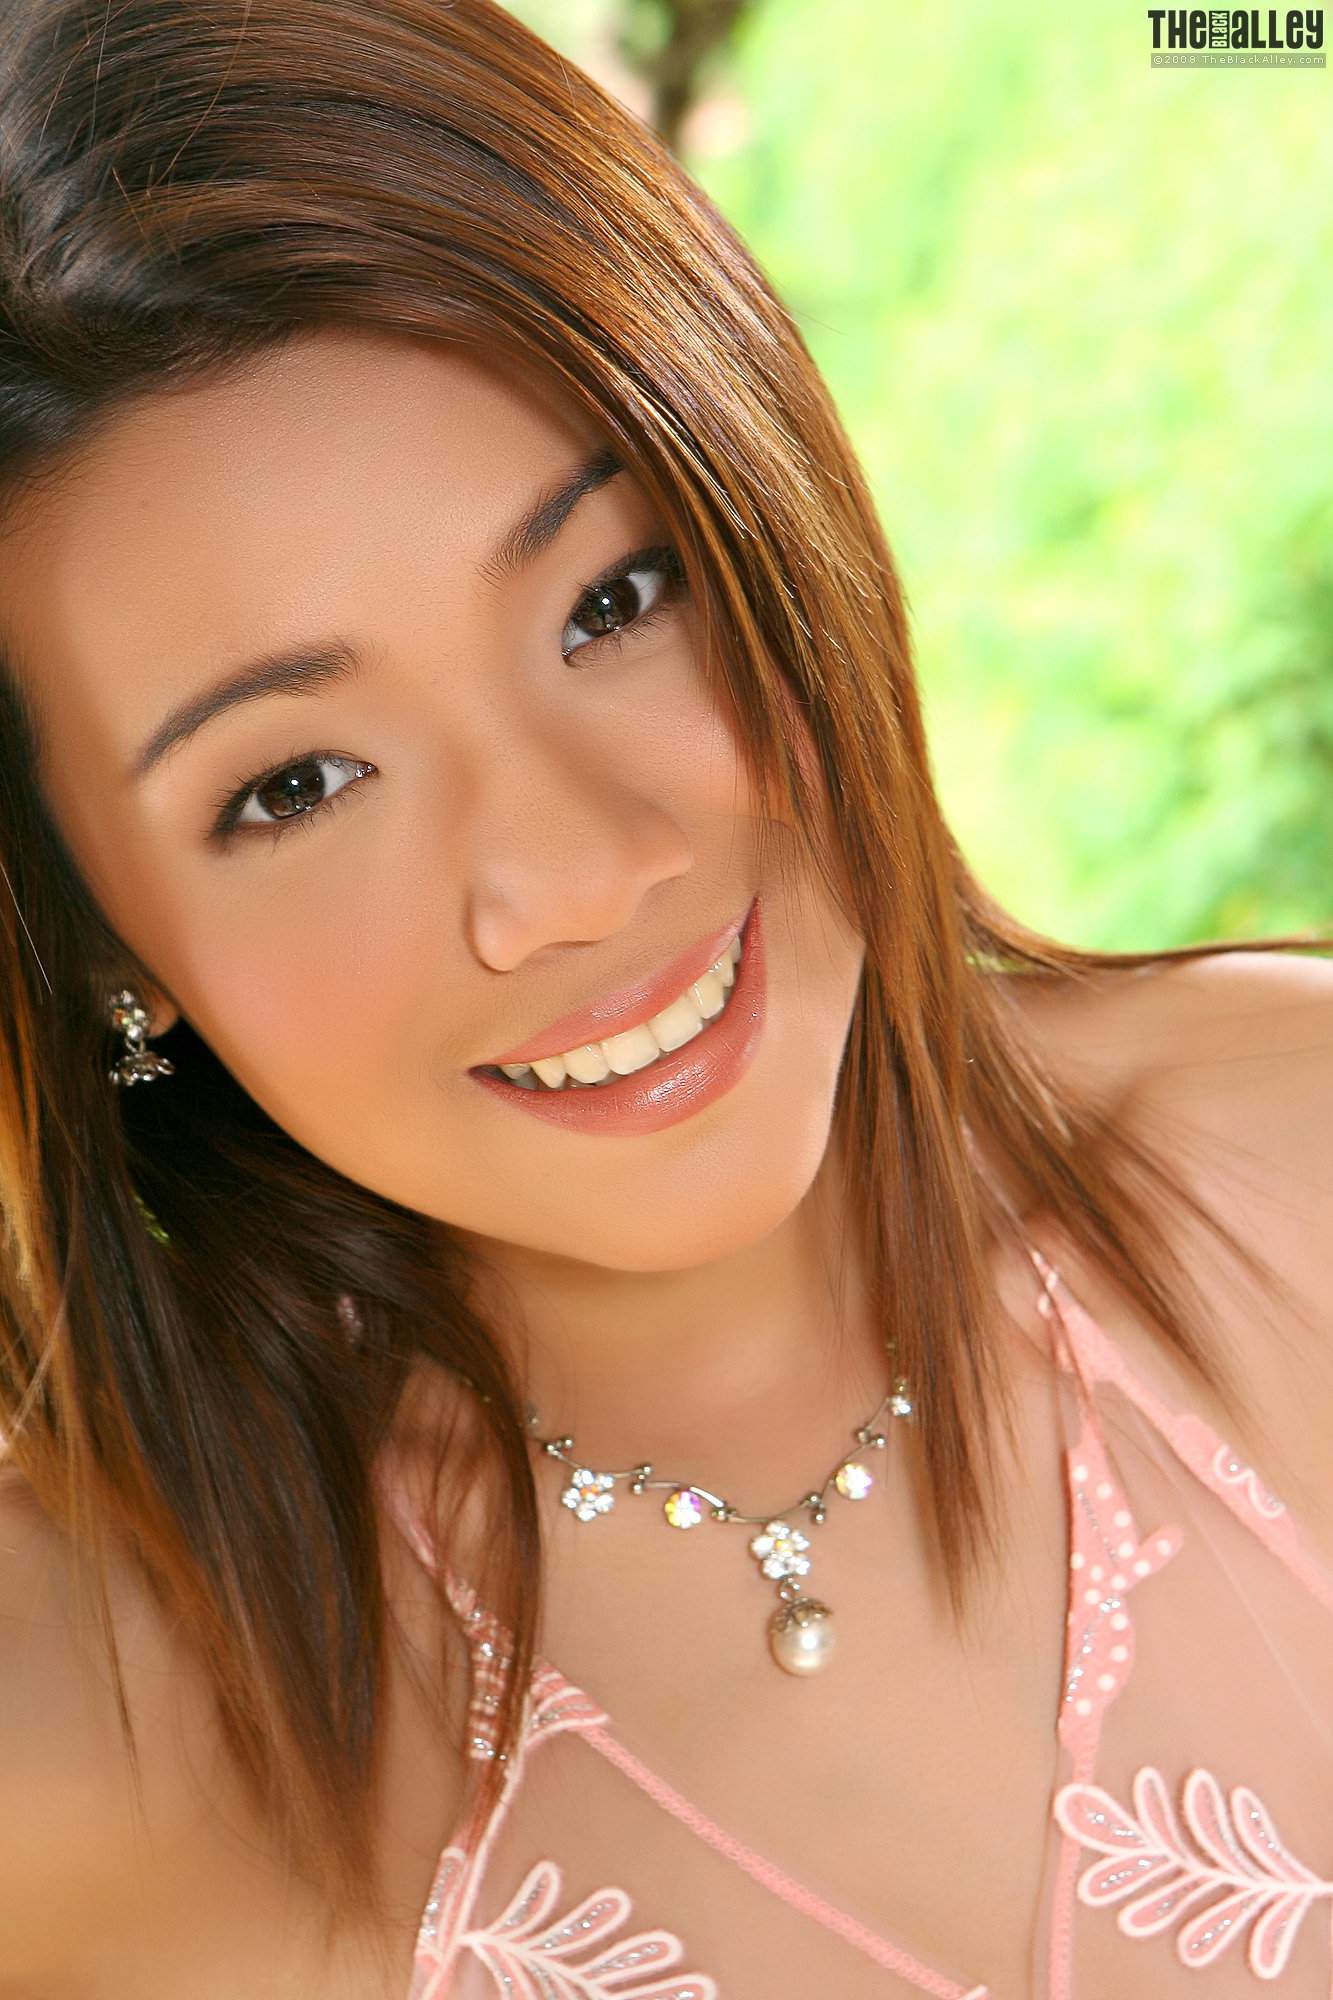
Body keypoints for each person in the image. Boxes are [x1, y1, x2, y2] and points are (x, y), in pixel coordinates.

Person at [0, 2, 1330, 1995]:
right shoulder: (77, 1715)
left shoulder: (1298, 1162)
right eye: (295, 785)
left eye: (612, 599)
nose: (578, 875)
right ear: (98, 939)